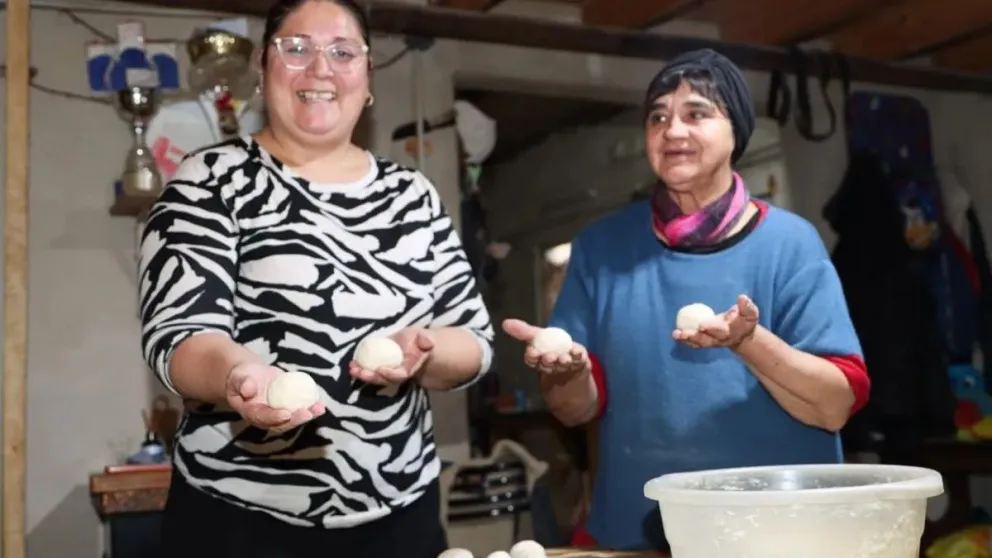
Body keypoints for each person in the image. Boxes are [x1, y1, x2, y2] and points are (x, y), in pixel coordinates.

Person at [138, 1, 494, 557]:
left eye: (343, 52)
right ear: (263, 66)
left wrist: (423, 349)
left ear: (367, 75)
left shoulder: (413, 196)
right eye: (297, 48)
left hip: (400, 516)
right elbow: (179, 336)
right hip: (240, 519)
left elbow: (473, 341)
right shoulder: (208, 180)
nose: (321, 69)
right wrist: (240, 376)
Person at [503, 49, 870, 551]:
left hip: (778, 533)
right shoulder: (602, 248)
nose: (672, 130)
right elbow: (574, 409)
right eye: (658, 116)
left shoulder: (789, 244)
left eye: (697, 113)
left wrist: (748, 342)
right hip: (639, 533)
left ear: (735, 131)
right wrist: (564, 372)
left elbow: (834, 405)